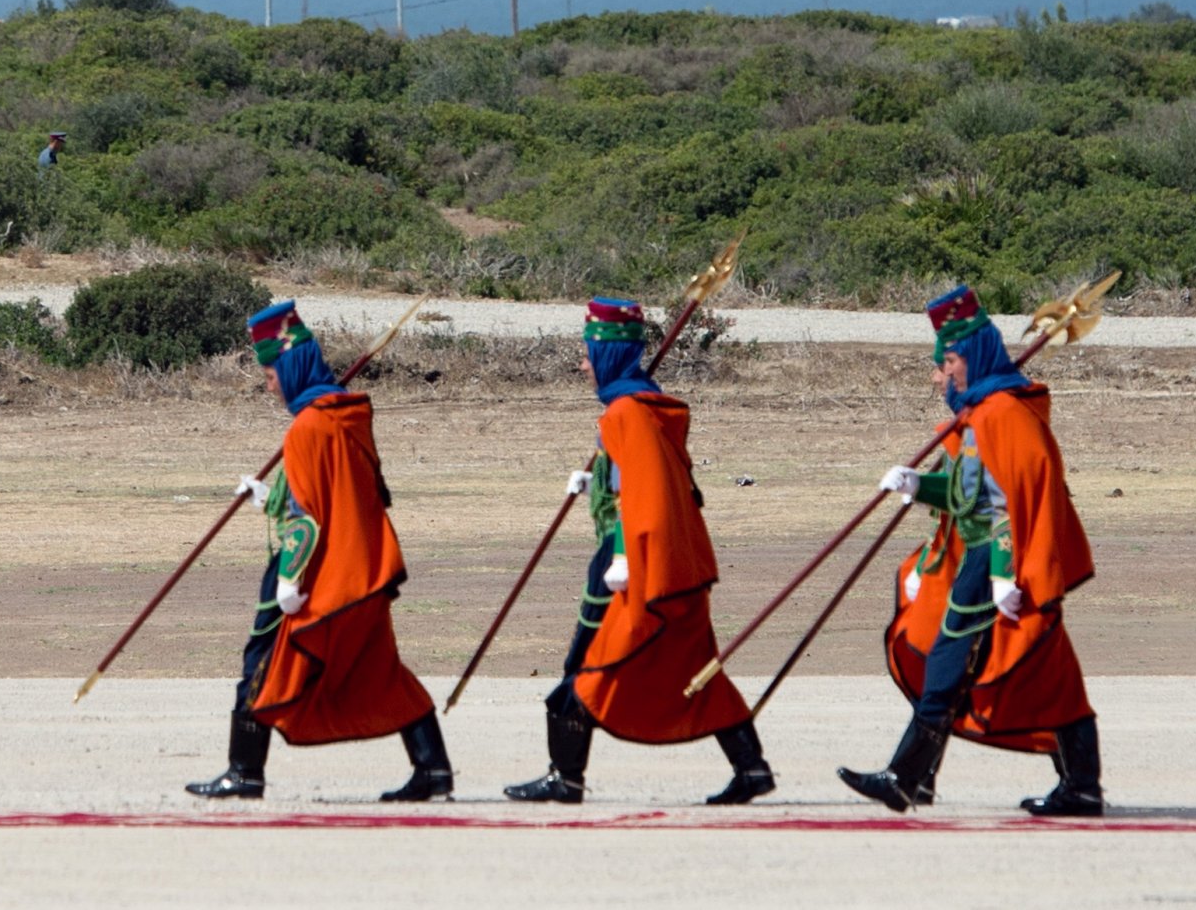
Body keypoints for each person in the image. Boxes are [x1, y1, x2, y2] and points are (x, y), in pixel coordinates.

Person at [503, 297, 775, 806]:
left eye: (588, 354)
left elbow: (641, 496)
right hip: (675, 564)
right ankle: (752, 767)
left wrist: (624, 553)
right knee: (692, 668)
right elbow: (652, 482)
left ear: (605, 355)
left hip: (634, 565)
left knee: (582, 664)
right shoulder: (642, 406)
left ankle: (566, 778)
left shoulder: (629, 412)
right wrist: (598, 482)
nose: (583, 365)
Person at [841, 285, 1100, 816]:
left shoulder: (1003, 413)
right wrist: (917, 486)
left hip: (994, 564)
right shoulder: (983, 414)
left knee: (958, 664)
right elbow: (968, 496)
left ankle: (907, 778)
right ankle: (916, 778)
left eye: (952, 360)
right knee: (1034, 672)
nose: (946, 373)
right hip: (982, 560)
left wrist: (1005, 573)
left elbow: (1009, 506)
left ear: (975, 357)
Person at [187, 301, 453, 800]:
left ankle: (244, 772)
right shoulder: (346, 417)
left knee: (260, 660)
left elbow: (307, 521)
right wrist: (270, 497)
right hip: (365, 572)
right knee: (379, 669)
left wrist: (289, 580)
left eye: (269, 373)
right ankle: (433, 768)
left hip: (315, 574)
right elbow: (341, 496)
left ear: (288, 368)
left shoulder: (309, 426)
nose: (267, 384)